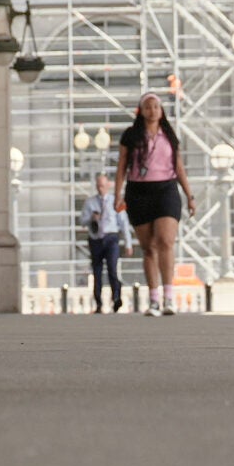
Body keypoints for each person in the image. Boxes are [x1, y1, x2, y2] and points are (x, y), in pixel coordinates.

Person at [115, 93, 193, 316]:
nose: (152, 111)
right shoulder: (131, 135)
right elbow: (122, 166)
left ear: (161, 110)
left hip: (166, 189)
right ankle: (154, 299)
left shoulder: (168, 134)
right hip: (138, 191)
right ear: (141, 111)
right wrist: (117, 194)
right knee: (149, 247)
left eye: (156, 107)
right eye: (148, 107)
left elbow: (179, 167)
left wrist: (190, 195)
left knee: (165, 241)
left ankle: (169, 297)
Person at [81, 172, 135, 313]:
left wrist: (128, 243)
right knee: (97, 271)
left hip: (111, 238)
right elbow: (82, 221)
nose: (101, 188)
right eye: (98, 186)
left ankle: (116, 298)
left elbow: (124, 223)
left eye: (103, 186)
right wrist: (92, 218)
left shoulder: (117, 201)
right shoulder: (89, 202)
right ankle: (98, 302)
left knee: (112, 268)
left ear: (108, 185)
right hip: (95, 239)